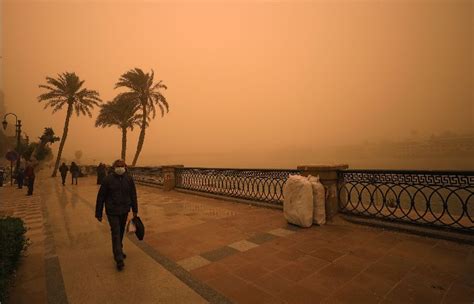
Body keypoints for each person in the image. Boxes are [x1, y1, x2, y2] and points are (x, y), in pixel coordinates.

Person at [95, 159, 138, 271]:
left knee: (120, 232)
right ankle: (118, 258)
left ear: (125, 167)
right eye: (118, 166)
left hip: (124, 210)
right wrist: (98, 213)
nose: (120, 167)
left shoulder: (128, 179)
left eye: (122, 166)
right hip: (112, 211)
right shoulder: (107, 179)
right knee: (115, 232)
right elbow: (101, 197)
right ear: (114, 167)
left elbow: (133, 194)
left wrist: (135, 210)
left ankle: (119, 249)